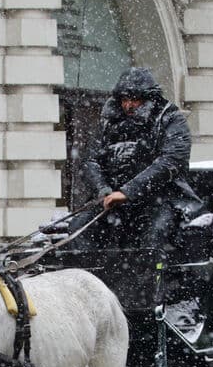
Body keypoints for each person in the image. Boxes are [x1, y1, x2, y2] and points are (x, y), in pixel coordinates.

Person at [71, 67, 200, 253]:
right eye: (124, 99)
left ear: (149, 98)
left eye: (134, 99)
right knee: (79, 228)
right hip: (111, 201)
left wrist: (127, 192)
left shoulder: (171, 119)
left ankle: (152, 280)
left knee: (154, 234)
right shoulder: (108, 124)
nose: (128, 105)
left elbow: (171, 162)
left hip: (162, 200)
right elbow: (90, 161)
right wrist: (103, 190)